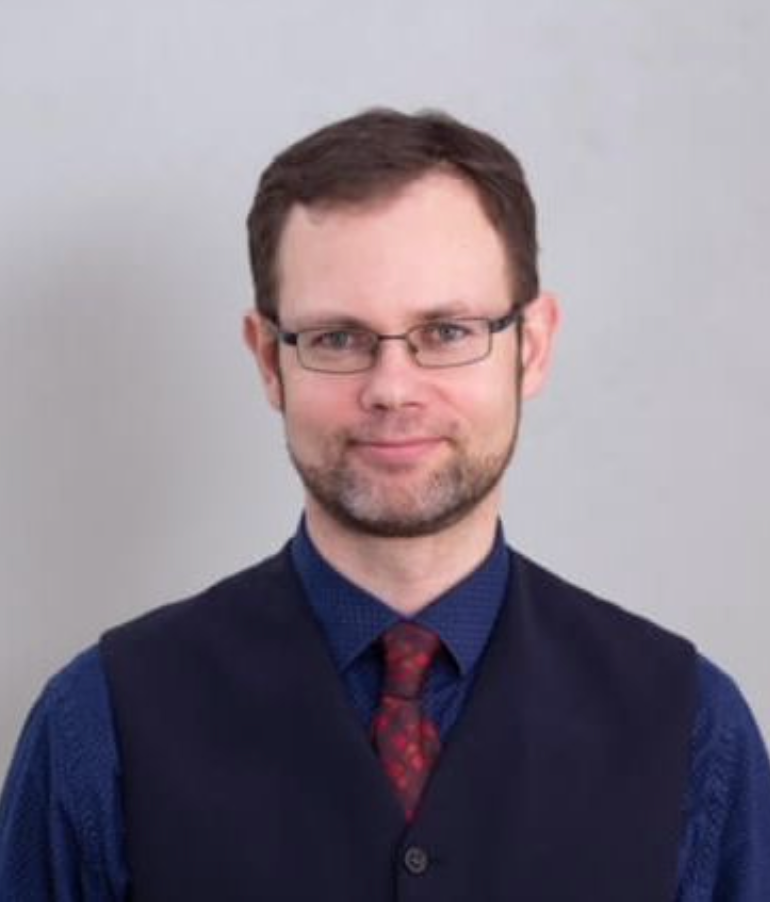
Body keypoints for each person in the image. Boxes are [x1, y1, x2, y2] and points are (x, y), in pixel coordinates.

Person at [1, 108, 768, 901]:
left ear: (532, 347)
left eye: (448, 331)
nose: (393, 389)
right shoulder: (98, 727)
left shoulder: (693, 733)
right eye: (337, 338)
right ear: (269, 360)